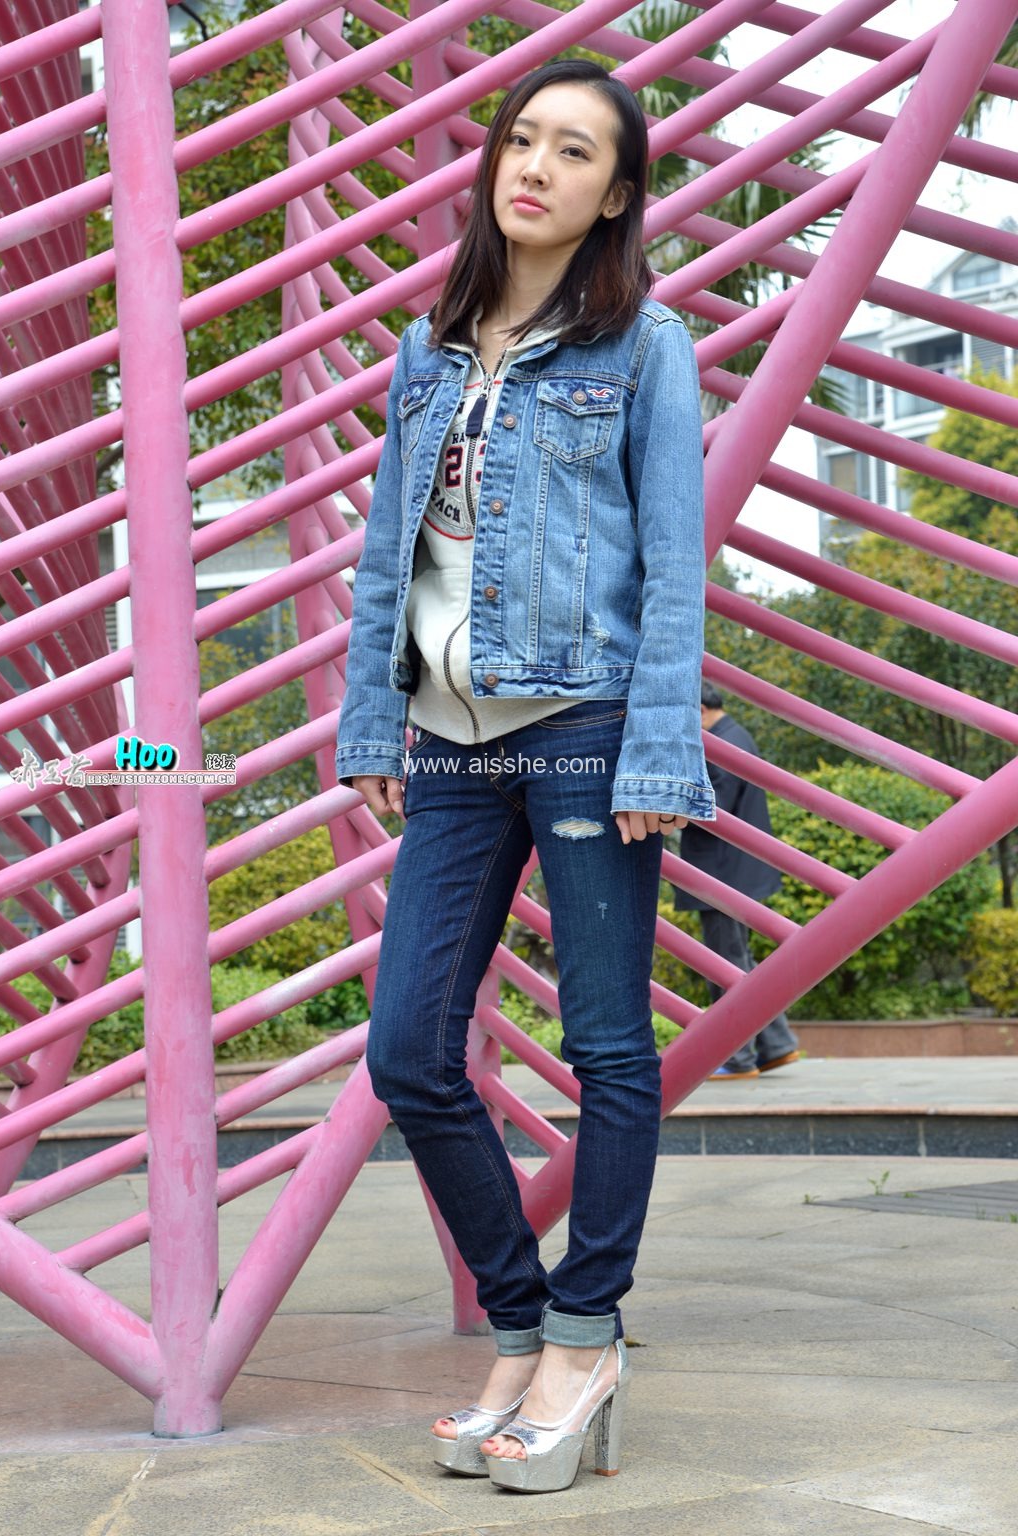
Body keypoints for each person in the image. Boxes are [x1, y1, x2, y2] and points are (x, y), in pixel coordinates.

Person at [335, 58, 715, 1494]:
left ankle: (582, 1334)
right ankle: (521, 1320)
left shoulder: (645, 348)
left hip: (590, 728)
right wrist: (372, 721)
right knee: (409, 1054)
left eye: (574, 152)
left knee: (609, 1047)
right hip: (449, 742)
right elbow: (390, 552)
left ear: (615, 195)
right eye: (521, 141)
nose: (536, 167)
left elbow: (673, 563)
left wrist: (661, 746)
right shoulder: (427, 350)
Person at [669, 683, 801, 1078]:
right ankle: (776, 1046)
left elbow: (714, 811)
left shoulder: (721, 746)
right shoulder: (736, 738)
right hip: (735, 872)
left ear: (700, 710)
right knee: (739, 964)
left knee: (723, 966)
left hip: (722, 876)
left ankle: (738, 1057)